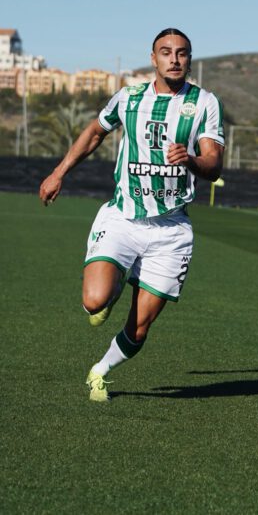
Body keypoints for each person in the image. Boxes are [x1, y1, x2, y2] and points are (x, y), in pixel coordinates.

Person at [38, 28, 225, 402]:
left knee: (138, 329)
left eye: (182, 53)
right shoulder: (129, 97)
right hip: (123, 217)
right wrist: (59, 172)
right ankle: (119, 280)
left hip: (171, 231)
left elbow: (214, 164)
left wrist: (190, 159)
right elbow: (95, 132)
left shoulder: (204, 103)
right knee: (94, 301)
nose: (174, 59)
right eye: (166, 52)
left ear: (189, 59)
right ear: (153, 58)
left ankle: (100, 370)